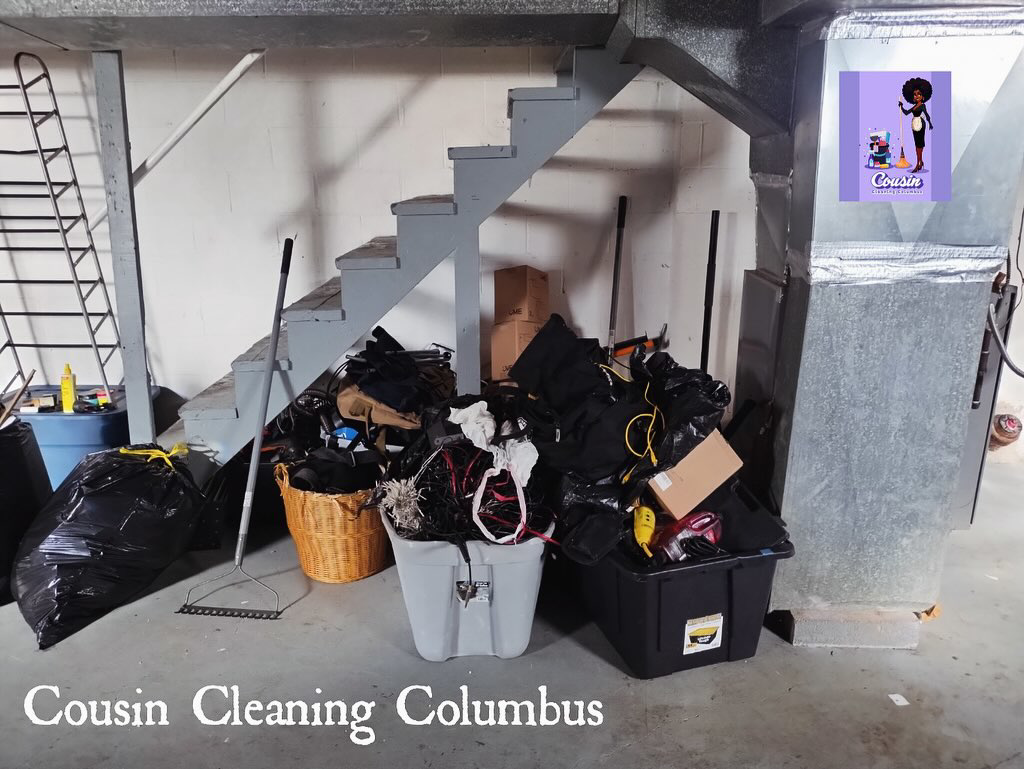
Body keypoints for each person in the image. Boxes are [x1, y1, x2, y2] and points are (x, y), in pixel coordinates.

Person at [899, 77, 933, 173]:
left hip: (921, 124)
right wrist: (901, 106)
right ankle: (920, 162)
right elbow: (906, 113)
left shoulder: (922, 105)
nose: (917, 96)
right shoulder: (914, 107)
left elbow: (926, 115)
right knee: (917, 145)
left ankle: (918, 163)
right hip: (914, 125)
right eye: (915, 94)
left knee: (920, 144)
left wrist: (930, 123)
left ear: (923, 96)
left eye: (919, 94)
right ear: (912, 97)